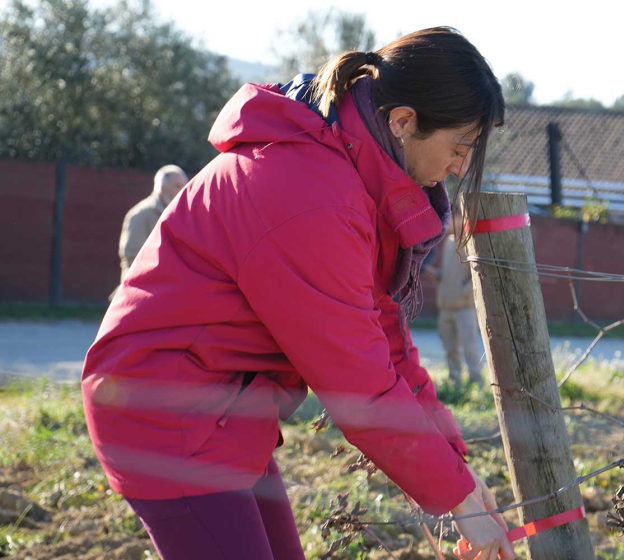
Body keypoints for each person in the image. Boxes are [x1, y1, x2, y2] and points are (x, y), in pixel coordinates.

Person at [82, 28, 514, 560]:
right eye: (460, 147)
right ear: (403, 122)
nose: (460, 167)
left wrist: (457, 471)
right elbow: (358, 383)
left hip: (222, 407)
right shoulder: (312, 196)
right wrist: (456, 496)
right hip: (164, 414)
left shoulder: (347, 178)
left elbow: (385, 343)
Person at [426, 213, 485, 388]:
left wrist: (463, 293)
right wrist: (435, 274)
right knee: (450, 349)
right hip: (445, 307)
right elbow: (448, 273)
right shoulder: (449, 242)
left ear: (461, 218)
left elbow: (477, 274)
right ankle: (455, 382)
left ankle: (477, 382)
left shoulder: (470, 242)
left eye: (451, 217)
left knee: (470, 347)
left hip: (464, 308)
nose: (447, 221)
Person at [110, 165, 187, 300]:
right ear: (162, 188)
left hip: (173, 290)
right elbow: (131, 257)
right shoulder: (140, 215)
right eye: (177, 186)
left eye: (184, 186)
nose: (183, 191)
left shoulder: (183, 214)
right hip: (144, 291)